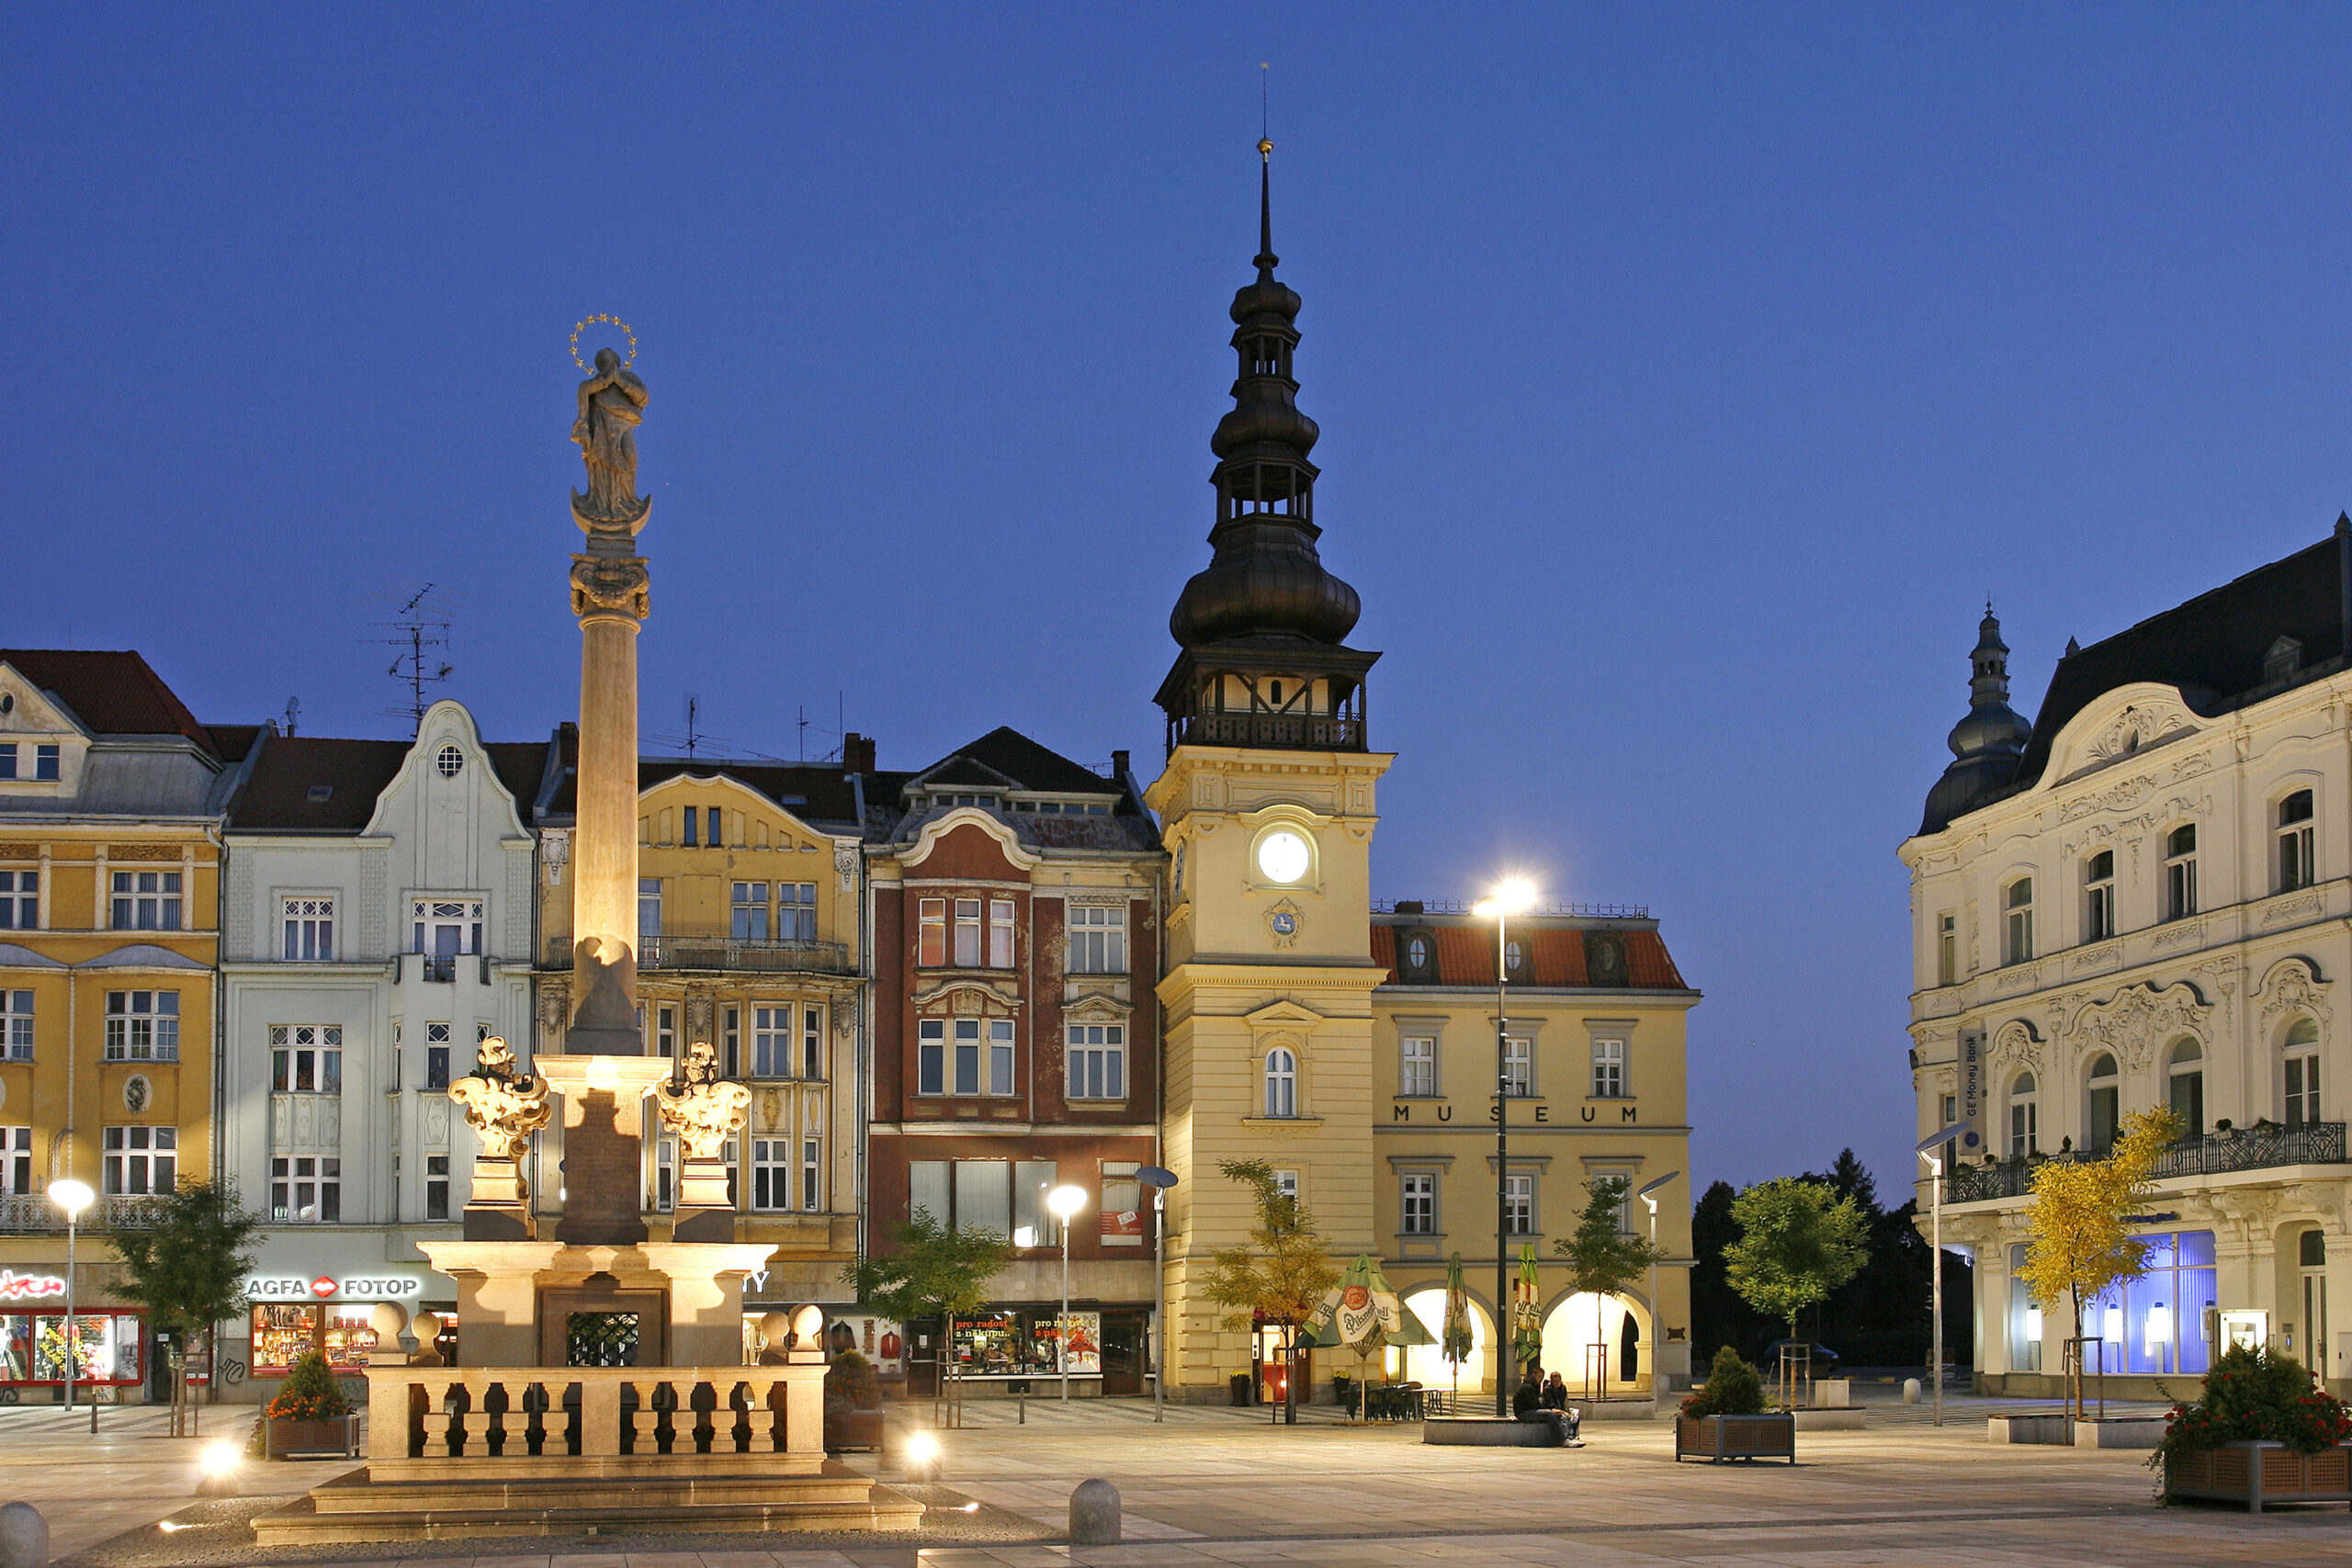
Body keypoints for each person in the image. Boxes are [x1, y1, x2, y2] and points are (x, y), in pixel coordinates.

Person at [1514, 1366, 1574, 1445]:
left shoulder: (1535, 1386)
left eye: (1542, 1377)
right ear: (1533, 1375)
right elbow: (1534, 1404)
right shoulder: (1527, 1387)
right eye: (1539, 1376)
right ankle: (1562, 1440)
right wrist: (1550, 1410)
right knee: (1549, 1414)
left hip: (1530, 1410)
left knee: (1559, 1416)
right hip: (1523, 1413)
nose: (1540, 1379)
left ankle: (1569, 1437)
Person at [1542, 1371, 1583, 1445]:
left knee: (1576, 1413)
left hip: (1562, 1408)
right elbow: (1551, 1405)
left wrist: (1566, 1411)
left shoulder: (1563, 1388)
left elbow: (1565, 1402)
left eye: (1559, 1381)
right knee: (1562, 1417)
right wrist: (1563, 1412)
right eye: (1555, 1381)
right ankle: (1568, 1437)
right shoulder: (1548, 1389)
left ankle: (1575, 1435)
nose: (1557, 1383)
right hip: (1552, 1409)